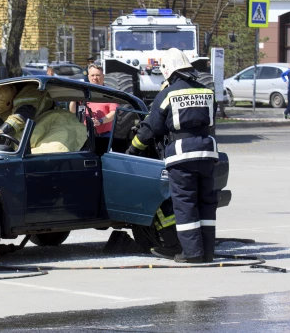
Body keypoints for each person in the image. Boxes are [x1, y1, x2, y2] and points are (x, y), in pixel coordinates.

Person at [127, 48, 218, 264]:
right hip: (207, 153)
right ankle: (207, 252)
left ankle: (192, 253)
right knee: (205, 203)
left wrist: (133, 149)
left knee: (185, 204)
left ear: (167, 71)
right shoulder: (207, 91)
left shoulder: (168, 94)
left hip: (182, 156)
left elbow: (150, 129)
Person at [69, 64, 118, 137]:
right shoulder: (83, 93)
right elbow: (72, 111)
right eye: (92, 75)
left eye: (98, 75)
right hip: (84, 133)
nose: (95, 78)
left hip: (104, 135)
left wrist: (100, 121)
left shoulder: (110, 94)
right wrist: (74, 98)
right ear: (88, 77)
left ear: (103, 76)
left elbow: (114, 113)